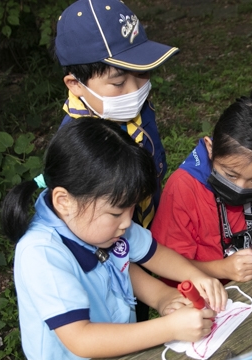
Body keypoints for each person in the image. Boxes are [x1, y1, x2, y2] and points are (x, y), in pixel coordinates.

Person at [1, 118, 227, 360]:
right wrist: (169, 328)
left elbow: (138, 260)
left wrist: (172, 290)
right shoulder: (41, 253)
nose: (127, 222)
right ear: (64, 201)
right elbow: (81, 339)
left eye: (132, 209)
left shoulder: (98, 226)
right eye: (118, 212)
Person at [151, 93, 252, 289]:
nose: (240, 188)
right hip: (198, 298)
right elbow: (165, 264)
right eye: (230, 175)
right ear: (210, 148)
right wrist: (222, 269)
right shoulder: (183, 187)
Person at [54, 0, 178, 229]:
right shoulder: (78, 149)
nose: (135, 90)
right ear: (75, 84)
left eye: (143, 73)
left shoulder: (138, 108)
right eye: (119, 82)